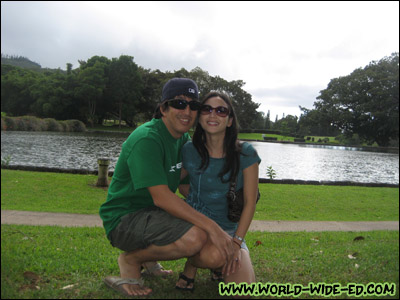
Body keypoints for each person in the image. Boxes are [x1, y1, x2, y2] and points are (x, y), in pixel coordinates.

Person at [99, 78, 236, 297]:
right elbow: (162, 197)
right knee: (195, 237)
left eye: (194, 105)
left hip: (153, 214)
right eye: (179, 104)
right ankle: (131, 259)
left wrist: (217, 211)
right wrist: (212, 227)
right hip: (124, 218)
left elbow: (183, 187)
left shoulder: (182, 140)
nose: (187, 111)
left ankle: (150, 260)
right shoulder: (147, 139)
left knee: (208, 237)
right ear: (163, 108)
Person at [175, 91, 261, 292]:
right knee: (213, 256)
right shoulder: (189, 150)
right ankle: (193, 265)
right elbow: (174, 183)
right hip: (196, 228)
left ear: (230, 120)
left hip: (230, 231)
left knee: (242, 292)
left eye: (221, 111)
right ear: (200, 116)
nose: (213, 115)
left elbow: (249, 202)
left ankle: (219, 263)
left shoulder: (246, 153)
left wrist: (236, 243)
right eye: (207, 109)